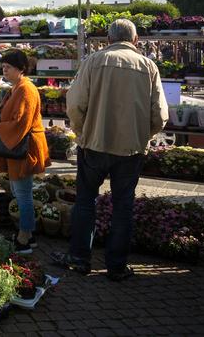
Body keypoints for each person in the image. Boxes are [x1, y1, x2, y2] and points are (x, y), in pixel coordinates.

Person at [52, 19, 168, 281]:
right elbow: (160, 114)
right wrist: (143, 136)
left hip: (94, 145)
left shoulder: (94, 61)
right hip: (130, 150)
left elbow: (75, 104)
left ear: (107, 39)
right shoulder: (148, 66)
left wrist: (83, 131)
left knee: (85, 202)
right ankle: (116, 266)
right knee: (123, 206)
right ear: (135, 40)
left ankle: (80, 258)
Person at [0, 49, 50, 254]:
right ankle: (28, 236)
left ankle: (24, 236)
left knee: (23, 194)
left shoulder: (26, 89)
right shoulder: (18, 87)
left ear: (20, 69)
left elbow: (21, 122)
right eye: (3, 67)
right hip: (19, 145)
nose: (4, 71)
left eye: (8, 67)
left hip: (24, 147)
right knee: (21, 192)